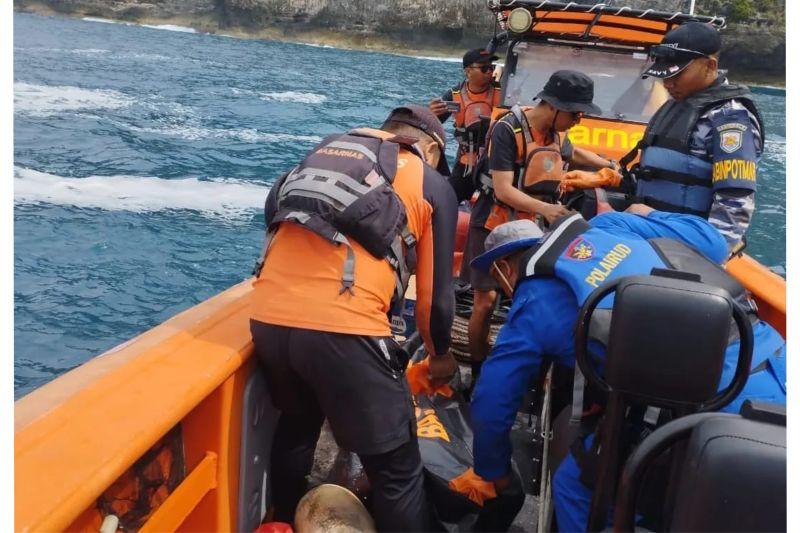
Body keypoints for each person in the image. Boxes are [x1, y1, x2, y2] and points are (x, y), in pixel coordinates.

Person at [468, 208, 786, 531]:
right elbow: (715, 242)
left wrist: (494, 474)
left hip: (714, 405)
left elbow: (492, 401)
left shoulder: (533, 299)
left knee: (574, 490)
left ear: (505, 268)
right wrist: (647, 212)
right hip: (774, 359)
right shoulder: (610, 224)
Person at [250, 104, 459, 531]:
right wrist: (439, 358)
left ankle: (285, 520)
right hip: (346, 331)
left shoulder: (317, 160)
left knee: (298, 427)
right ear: (431, 149)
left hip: (268, 321)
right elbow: (436, 304)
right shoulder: (429, 180)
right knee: (397, 472)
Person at [463, 70, 618, 384]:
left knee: (530, 297)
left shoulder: (557, 132)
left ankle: (525, 369)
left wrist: (607, 165)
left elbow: (572, 153)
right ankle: (479, 370)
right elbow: (504, 189)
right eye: (575, 113)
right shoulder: (507, 129)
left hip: (532, 225)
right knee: (485, 302)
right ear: (553, 106)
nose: (578, 119)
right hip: (494, 221)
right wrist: (548, 210)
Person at [627, 21, 764, 252]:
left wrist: (708, 257)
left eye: (677, 75)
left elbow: (734, 203)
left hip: (686, 247)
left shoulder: (728, 118)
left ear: (710, 66)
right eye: (664, 76)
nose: (667, 83)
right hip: (652, 234)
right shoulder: (677, 104)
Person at [429, 48, 503, 203]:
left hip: (494, 163)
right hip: (465, 161)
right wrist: (431, 114)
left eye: (491, 67)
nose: (490, 71)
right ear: (468, 71)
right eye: (484, 68)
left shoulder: (503, 92)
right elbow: (433, 124)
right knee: (447, 199)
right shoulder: (453, 95)